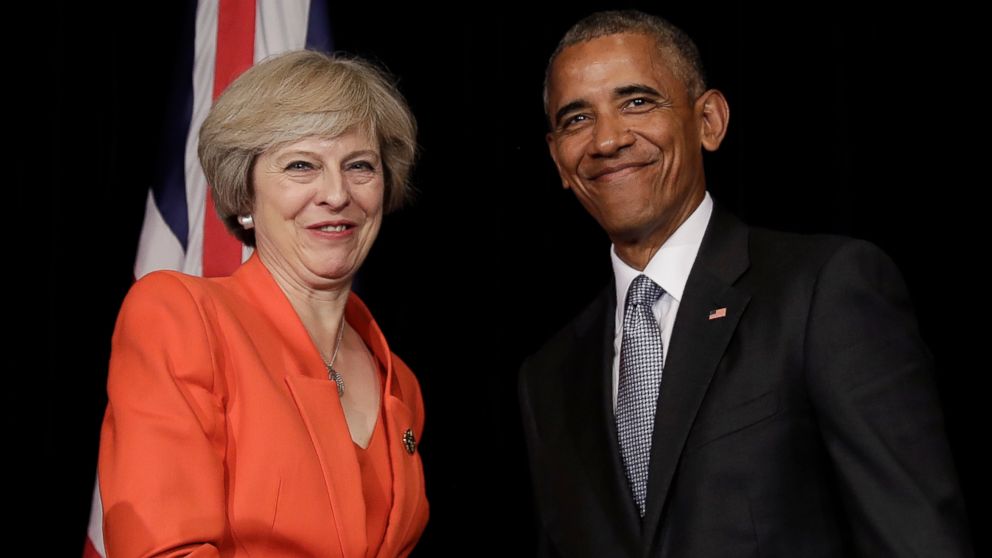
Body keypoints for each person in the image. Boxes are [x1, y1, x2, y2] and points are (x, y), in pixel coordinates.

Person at [518, 10, 971, 557]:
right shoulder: (548, 380)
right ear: (558, 161)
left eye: (637, 101)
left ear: (708, 120)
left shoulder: (823, 291)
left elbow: (916, 540)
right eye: (576, 119)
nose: (607, 139)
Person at [98, 50, 427, 557]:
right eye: (301, 166)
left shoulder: (398, 380)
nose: (337, 193)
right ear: (244, 196)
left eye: (359, 166)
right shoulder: (181, 316)